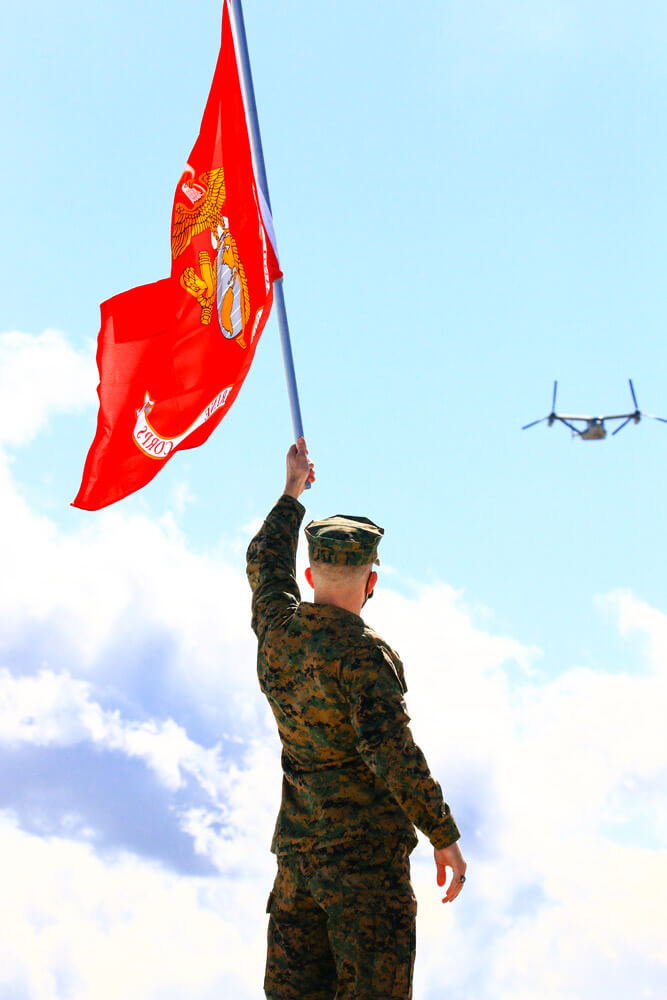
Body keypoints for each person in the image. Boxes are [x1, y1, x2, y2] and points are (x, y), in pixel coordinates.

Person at [246, 437, 466, 1000]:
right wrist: (440, 832)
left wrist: (291, 492)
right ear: (372, 581)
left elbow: (264, 563)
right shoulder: (365, 657)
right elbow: (390, 753)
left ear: (310, 573)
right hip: (365, 873)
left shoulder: (277, 631)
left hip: (298, 864)